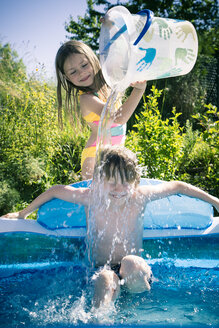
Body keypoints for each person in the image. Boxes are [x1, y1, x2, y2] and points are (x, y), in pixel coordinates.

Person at [3, 146, 219, 308]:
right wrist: (22, 214)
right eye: (111, 182)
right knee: (106, 278)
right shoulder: (91, 198)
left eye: (125, 182)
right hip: (100, 269)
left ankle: (136, 303)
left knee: (131, 263)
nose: (118, 189)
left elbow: (179, 186)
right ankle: (103, 319)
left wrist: (216, 202)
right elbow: (55, 190)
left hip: (136, 270)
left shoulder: (140, 197)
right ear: (99, 180)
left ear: (135, 181)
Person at [55, 40, 146, 179]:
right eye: (73, 72)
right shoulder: (86, 99)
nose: (81, 73)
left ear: (92, 59)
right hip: (94, 157)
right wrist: (138, 91)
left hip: (114, 153)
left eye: (84, 65)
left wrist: (110, 24)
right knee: (94, 199)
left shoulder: (108, 83)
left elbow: (119, 51)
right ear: (67, 78)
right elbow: (117, 119)